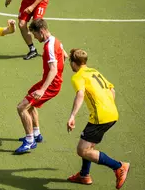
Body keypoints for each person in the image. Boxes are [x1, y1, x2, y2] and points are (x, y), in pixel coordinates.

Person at [66, 48, 130, 189]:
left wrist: (72, 116)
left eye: (70, 62)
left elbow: (80, 94)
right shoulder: (94, 71)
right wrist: (107, 106)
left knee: (82, 150)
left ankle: (119, 166)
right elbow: (112, 90)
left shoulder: (77, 76)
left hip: (100, 117)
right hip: (112, 113)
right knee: (88, 145)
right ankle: (84, 175)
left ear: (74, 63)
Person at [15, 18, 67, 154]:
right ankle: (36, 134)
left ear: (42, 31)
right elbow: (65, 56)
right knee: (30, 103)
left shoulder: (49, 46)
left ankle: (29, 141)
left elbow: (54, 69)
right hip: (50, 82)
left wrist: (43, 89)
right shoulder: (56, 41)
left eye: (36, 34)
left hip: (50, 85)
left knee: (21, 108)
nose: (35, 38)